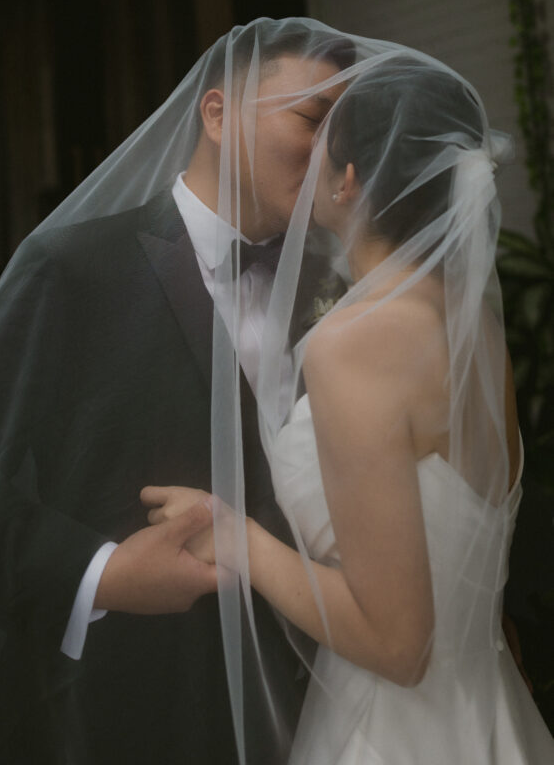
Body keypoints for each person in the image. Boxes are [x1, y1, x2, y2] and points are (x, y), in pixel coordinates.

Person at [0, 19, 354, 765]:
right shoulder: (75, 270)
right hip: (117, 716)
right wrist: (100, 573)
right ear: (218, 114)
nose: (335, 154)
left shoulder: (340, 289)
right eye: (313, 121)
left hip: (321, 703)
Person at [146, 50, 554, 762]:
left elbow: (398, 646)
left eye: (322, 141)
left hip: (393, 730)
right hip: (490, 708)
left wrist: (236, 539)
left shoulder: (356, 341)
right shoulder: (470, 323)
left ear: (347, 179)